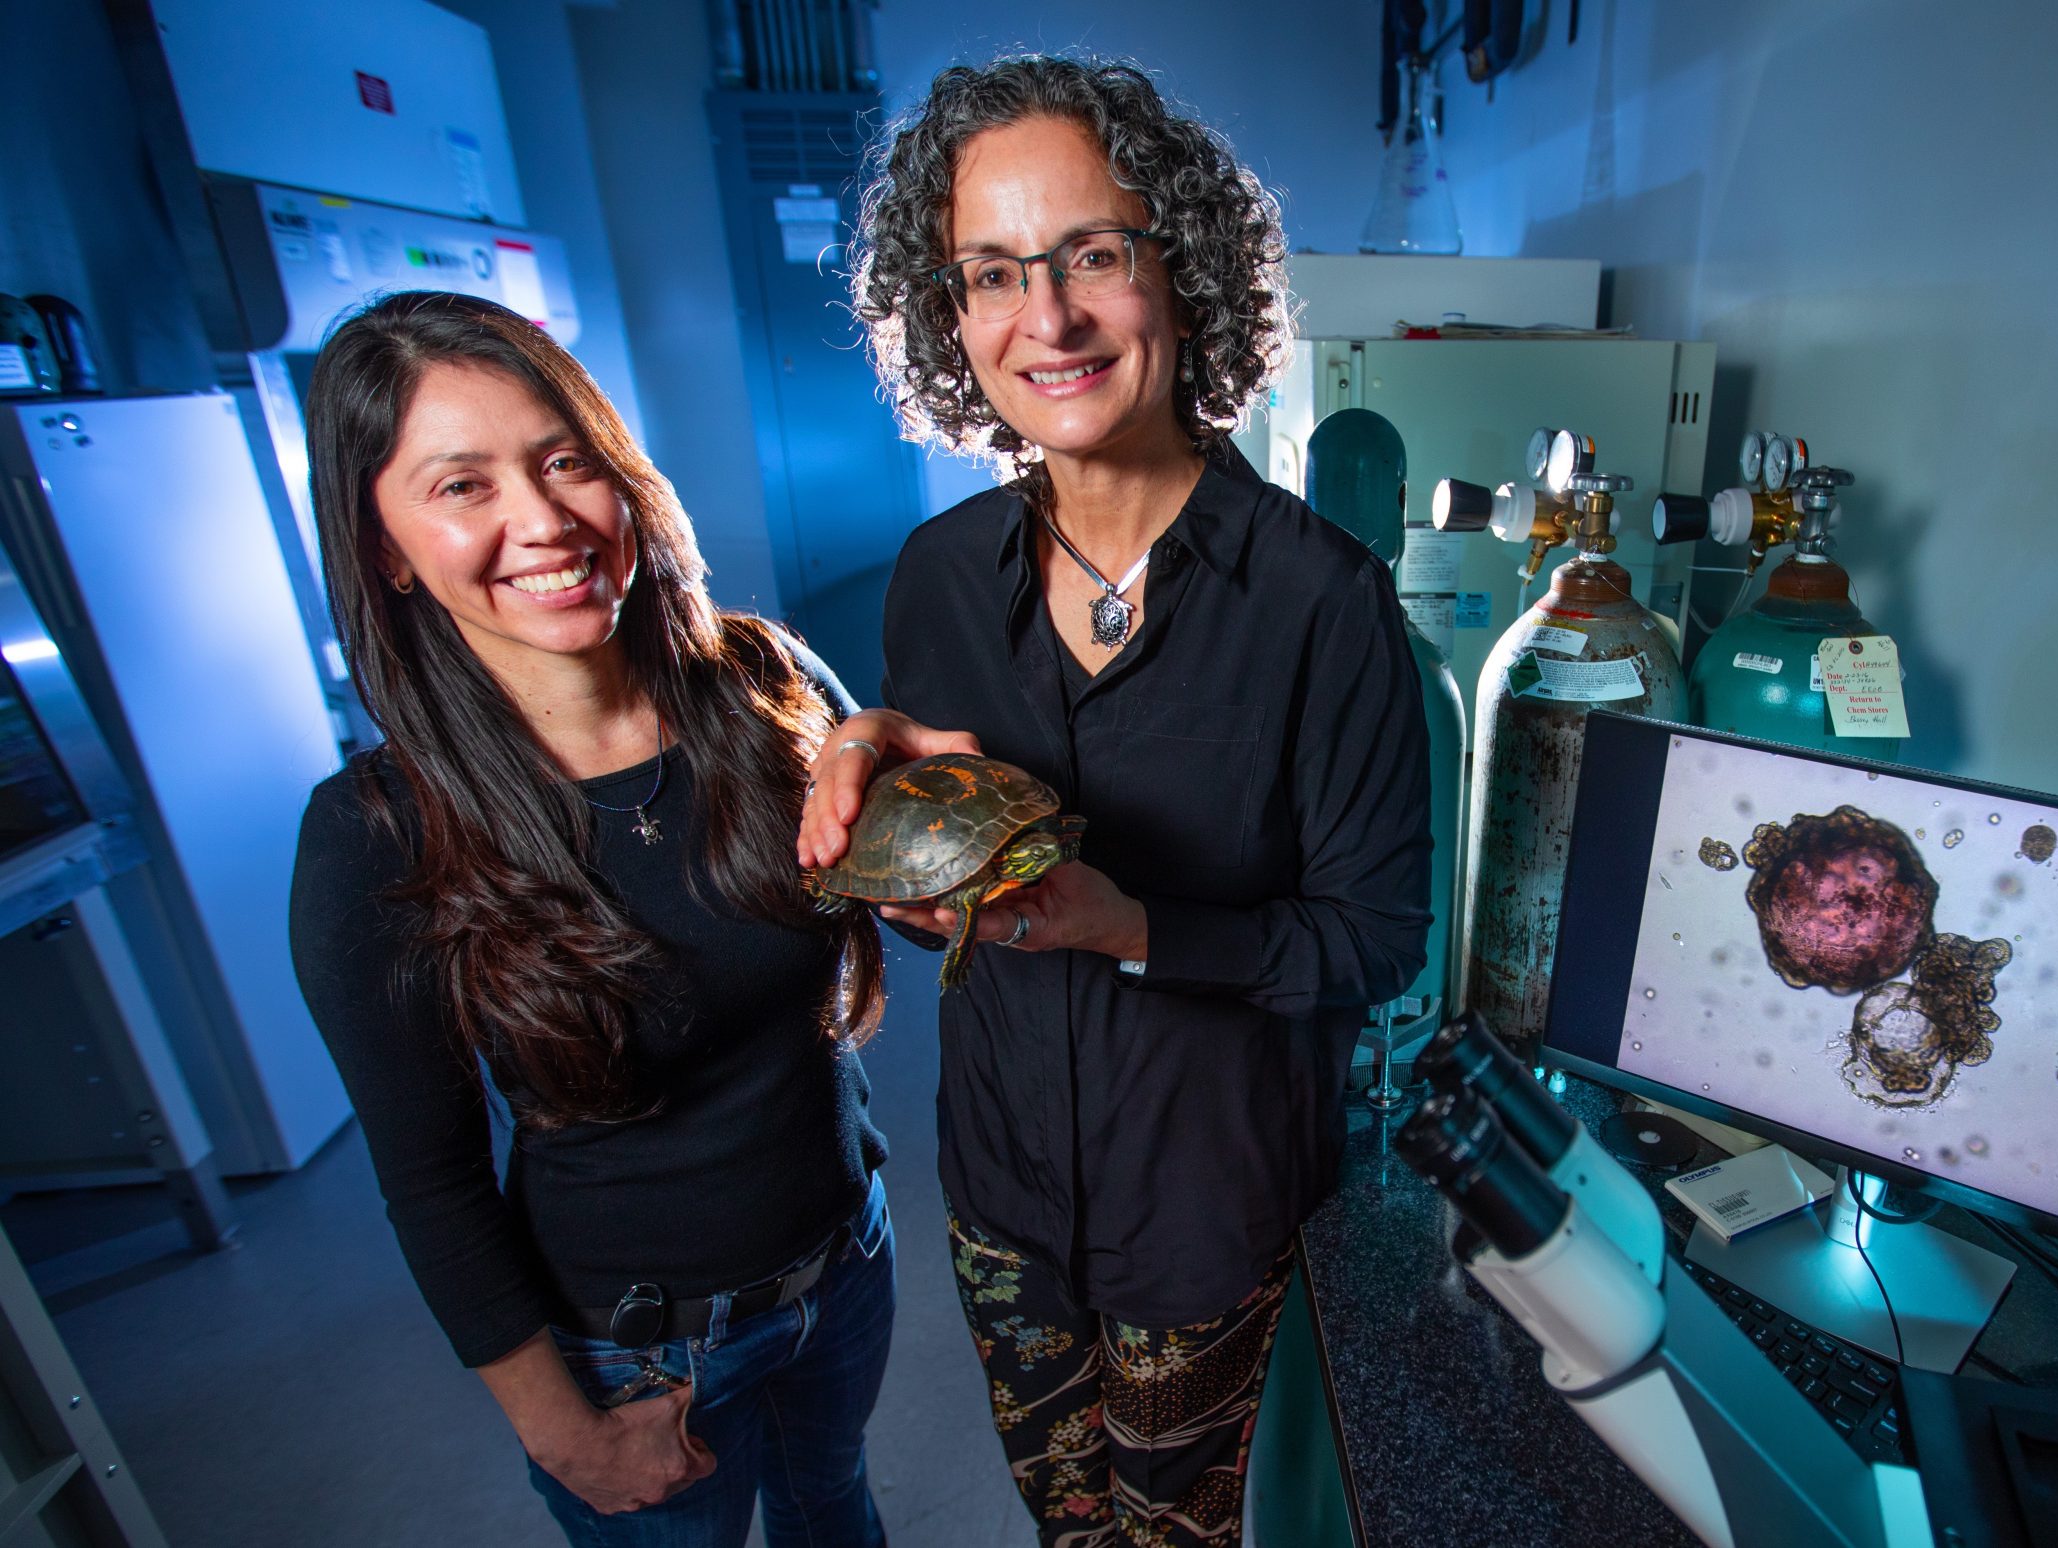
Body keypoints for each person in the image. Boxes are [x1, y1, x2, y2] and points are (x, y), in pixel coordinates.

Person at [805, 56, 1433, 1547]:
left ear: (1185, 272)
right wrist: (908, 871)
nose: (1052, 317)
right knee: (1070, 1534)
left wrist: (1136, 925)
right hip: (1006, 1192)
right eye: (995, 273)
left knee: (1181, 1538)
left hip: (1209, 1201)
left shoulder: (1321, 602)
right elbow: (945, 923)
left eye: (1095, 253)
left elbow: (1375, 941)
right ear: (953, 318)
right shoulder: (938, 579)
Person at [289, 291, 967, 1546]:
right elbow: (430, 1184)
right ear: (384, 547)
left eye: (564, 462)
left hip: (844, 1260)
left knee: (835, 1509)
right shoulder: (377, 835)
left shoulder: (761, 683)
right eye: (461, 486)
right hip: (635, 1355)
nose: (543, 521)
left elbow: (914, 918)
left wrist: (929, 807)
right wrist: (571, 1437)